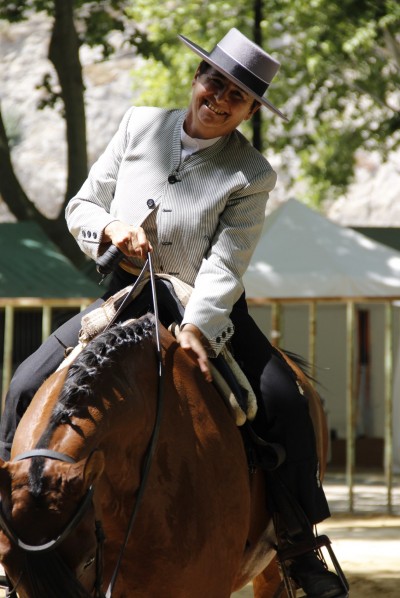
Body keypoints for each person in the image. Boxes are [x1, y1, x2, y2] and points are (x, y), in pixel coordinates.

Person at [0, 28, 347, 597]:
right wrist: (110, 227)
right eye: (214, 80)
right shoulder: (139, 124)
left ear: (251, 109)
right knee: (22, 384)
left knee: (285, 399)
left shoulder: (251, 174)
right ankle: (15, 529)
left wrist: (196, 330)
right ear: (196, 77)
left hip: (197, 305)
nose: (219, 97)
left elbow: (225, 264)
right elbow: (82, 203)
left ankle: (300, 547)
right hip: (121, 298)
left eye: (236, 95)